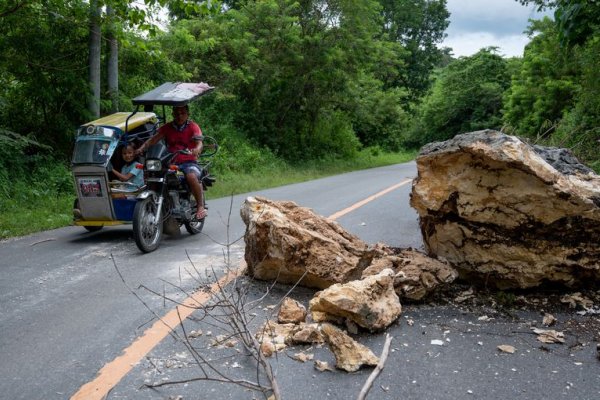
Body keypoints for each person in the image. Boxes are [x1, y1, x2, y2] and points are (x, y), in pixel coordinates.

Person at [136, 104, 207, 220]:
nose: (179, 116)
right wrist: (141, 148)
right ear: (173, 114)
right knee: (153, 175)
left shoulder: (193, 126)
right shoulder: (167, 127)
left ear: (187, 114)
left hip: (188, 161)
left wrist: (197, 150)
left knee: (191, 176)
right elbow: (153, 139)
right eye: (177, 113)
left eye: (182, 113)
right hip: (170, 160)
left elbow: (199, 142)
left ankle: (200, 206)